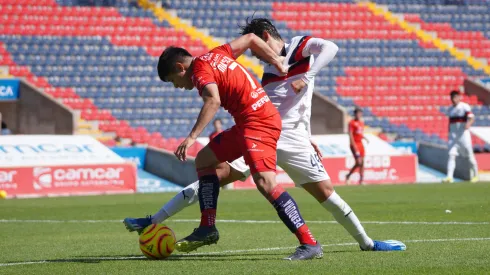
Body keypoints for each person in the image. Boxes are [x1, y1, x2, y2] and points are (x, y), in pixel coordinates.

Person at [124, 18, 406, 256]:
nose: (258, 58)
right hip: (259, 126)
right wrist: (275, 63)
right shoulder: (261, 68)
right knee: (210, 169)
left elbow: (330, 48)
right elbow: (263, 71)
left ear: (267, 36)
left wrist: (305, 80)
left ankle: (361, 243)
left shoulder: (299, 49)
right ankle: (167, 222)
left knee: (323, 194)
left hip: (278, 133)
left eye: (261, 51)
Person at [129, 34, 323, 260]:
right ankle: (207, 228)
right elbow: (250, 38)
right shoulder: (215, 54)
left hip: (259, 123)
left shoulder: (200, 72)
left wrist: (192, 136)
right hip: (249, 122)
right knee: (205, 160)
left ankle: (309, 243)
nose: (178, 87)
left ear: (181, 68)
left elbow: (213, 100)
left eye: (174, 81)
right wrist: (277, 61)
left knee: (265, 183)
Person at [442, 91, 479, 183]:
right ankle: (449, 177)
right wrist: (449, 133)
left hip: (463, 136)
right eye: (452, 98)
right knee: (451, 155)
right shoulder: (450, 109)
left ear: (459, 97)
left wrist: (468, 124)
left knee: (470, 156)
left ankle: (476, 175)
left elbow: (471, 117)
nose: (453, 100)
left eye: (455, 97)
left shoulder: (464, 106)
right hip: (453, 138)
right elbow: (450, 123)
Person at [345, 108, 369, 185]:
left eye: (360, 113)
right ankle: (348, 176)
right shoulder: (351, 123)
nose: (359, 115)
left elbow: (359, 133)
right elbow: (351, 135)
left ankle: (361, 180)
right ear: (355, 114)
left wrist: (364, 138)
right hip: (354, 144)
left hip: (360, 143)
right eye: (358, 113)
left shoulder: (361, 123)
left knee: (362, 162)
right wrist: (354, 145)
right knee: (358, 162)